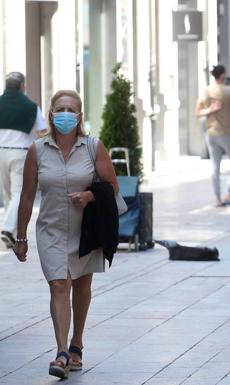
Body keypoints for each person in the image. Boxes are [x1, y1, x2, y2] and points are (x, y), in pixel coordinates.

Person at [13, 90, 119, 379]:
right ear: (51, 113)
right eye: (60, 108)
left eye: (71, 109)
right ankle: (61, 352)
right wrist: (20, 236)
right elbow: (26, 196)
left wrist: (88, 196)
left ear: (80, 116)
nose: (65, 114)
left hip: (86, 230)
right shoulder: (37, 150)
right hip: (51, 229)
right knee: (59, 285)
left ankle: (77, 345)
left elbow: (112, 188)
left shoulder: (93, 147)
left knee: (82, 287)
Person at [0, 72, 47, 249]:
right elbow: (41, 131)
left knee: (8, 194)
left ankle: (10, 232)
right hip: (19, 154)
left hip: (0, 153)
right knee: (18, 193)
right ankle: (8, 228)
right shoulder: (31, 106)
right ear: (22, 86)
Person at [196, 64, 230, 207]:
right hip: (227, 133)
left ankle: (217, 198)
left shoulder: (206, 92)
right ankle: (227, 193)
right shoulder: (228, 91)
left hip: (211, 133)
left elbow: (198, 113)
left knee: (215, 166)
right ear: (223, 75)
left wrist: (210, 109)